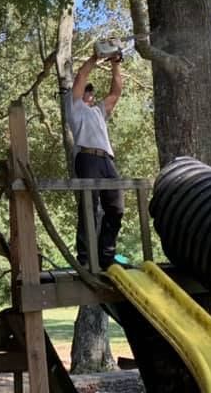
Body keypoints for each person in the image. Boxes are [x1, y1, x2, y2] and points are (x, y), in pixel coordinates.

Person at [71, 43, 124, 270]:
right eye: (87, 90)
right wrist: (96, 57)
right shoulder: (74, 107)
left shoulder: (99, 112)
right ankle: (84, 258)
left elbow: (116, 93)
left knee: (116, 208)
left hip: (106, 160)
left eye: (91, 91)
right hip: (87, 157)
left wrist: (115, 65)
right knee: (89, 207)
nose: (90, 93)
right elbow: (82, 74)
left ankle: (106, 256)